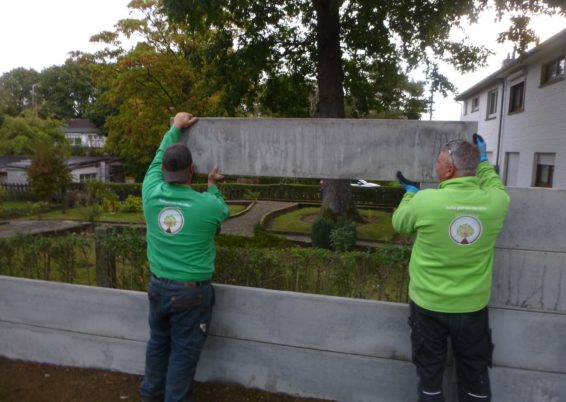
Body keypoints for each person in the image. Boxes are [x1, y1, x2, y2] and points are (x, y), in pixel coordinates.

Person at [392, 134, 510, 402]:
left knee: (430, 378)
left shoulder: (425, 201)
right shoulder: (497, 202)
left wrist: (410, 195)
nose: (436, 166)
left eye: (438, 160)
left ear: (449, 169)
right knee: (474, 379)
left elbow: (399, 224)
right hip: (471, 308)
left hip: (427, 305)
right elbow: (495, 186)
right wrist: (483, 162)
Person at [140, 112, 230, 402]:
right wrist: (213, 185)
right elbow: (222, 210)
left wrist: (175, 129)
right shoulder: (207, 205)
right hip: (191, 295)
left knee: (158, 344)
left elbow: (156, 158)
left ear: (164, 171)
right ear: (191, 171)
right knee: (183, 352)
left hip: (158, 289)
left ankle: (150, 396)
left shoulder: (150, 193)